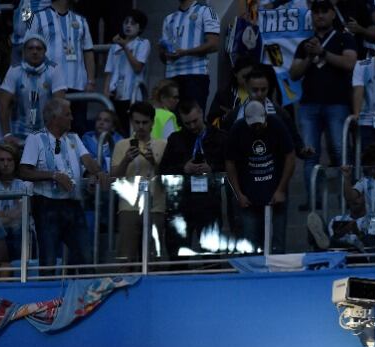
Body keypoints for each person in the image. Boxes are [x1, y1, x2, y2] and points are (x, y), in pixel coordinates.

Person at [18, 96, 109, 273]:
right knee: (49, 259)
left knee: (85, 257)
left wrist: (98, 172)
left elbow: (88, 161)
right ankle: (48, 299)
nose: (72, 118)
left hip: (72, 203)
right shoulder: (35, 139)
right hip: (46, 205)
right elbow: (23, 172)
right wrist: (53, 175)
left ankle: (88, 296)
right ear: (55, 118)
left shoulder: (74, 138)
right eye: (68, 114)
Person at [289, 0, 358, 201]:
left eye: (324, 11)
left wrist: (323, 53)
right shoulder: (306, 44)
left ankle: (345, 199)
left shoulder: (344, 38)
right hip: (309, 105)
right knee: (310, 155)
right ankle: (314, 201)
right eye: (316, 12)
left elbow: (349, 63)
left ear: (332, 14)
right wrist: (310, 57)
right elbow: (293, 73)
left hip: (337, 103)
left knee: (339, 153)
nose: (320, 15)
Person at [223, 100, 295, 254]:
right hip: (249, 195)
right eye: (253, 125)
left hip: (274, 191)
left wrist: (281, 189)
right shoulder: (238, 129)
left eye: (259, 124)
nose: (257, 128)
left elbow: (290, 156)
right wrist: (238, 194)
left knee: (277, 246)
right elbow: (230, 163)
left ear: (266, 117)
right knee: (250, 246)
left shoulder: (276, 124)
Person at [159, 98, 227, 255]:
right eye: (187, 123)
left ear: (201, 112)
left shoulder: (220, 137)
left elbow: (231, 167)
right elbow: (163, 170)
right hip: (182, 203)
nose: (192, 126)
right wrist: (184, 168)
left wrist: (212, 168)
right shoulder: (175, 139)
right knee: (177, 254)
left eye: (195, 121)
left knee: (211, 255)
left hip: (209, 202)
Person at [109, 101, 168, 263]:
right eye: (137, 122)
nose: (141, 127)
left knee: (152, 259)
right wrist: (126, 161)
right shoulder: (122, 145)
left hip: (155, 206)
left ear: (152, 123)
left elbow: (168, 177)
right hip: (129, 206)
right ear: (131, 122)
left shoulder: (163, 145)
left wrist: (154, 162)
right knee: (125, 258)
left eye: (145, 122)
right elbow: (113, 176)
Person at [1, 35, 70, 139]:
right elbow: (3, 104)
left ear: (44, 51)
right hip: (19, 133)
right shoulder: (14, 70)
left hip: (47, 132)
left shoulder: (54, 70)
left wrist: (57, 134)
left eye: (38, 48)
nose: (35, 52)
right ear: (24, 51)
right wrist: (7, 134)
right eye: (30, 48)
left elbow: (59, 105)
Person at [23, 0, 95, 100]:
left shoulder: (81, 20)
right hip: (48, 86)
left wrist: (91, 81)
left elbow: (88, 51)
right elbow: (27, 49)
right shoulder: (37, 18)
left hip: (78, 85)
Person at [159, 0, 220, 110]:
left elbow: (214, 44)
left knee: (192, 120)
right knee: (171, 120)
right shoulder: (168, 19)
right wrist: (162, 52)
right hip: (171, 77)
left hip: (195, 75)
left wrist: (185, 52)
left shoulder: (205, 11)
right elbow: (163, 58)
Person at [104, 9, 150, 129]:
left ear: (140, 28)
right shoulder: (114, 47)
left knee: (130, 128)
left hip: (133, 96)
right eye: (126, 22)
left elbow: (138, 67)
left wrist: (125, 47)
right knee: (115, 128)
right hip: (115, 94)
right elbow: (109, 72)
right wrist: (106, 92)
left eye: (133, 23)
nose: (128, 26)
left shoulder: (143, 43)